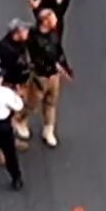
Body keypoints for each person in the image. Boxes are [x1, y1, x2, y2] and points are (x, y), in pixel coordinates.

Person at [17, 9, 73, 148]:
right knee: (32, 103)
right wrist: (50, 64)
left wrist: (65, 67)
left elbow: (59, 51)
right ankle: (20, 120)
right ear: (45, 22)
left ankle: (49, 129)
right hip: (40, 76)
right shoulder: (33, 37)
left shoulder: (54, 34)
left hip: (54, 75)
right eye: (53, 18)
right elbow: (33, 57)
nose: (56, 20)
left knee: (51, 103)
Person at [0, 19, 34, 145]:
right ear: (16, 33)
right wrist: (11, 86)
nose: (27, 32)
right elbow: (1, 70)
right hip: (11, 85)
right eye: (24, 30)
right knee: (8, 113)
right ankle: (4, 143)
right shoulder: (4, 48)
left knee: (22, 107)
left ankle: (16, 129)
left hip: (22, 82)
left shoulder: (22, 43)